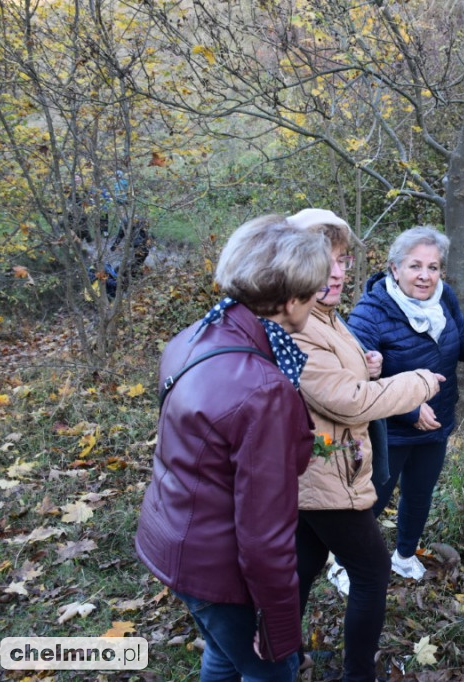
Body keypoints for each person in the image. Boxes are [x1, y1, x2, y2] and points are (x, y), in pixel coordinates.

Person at [135, 214, 330, 682]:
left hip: (172, 540)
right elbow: (265, 533)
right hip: (218, 571)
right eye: (315, 292)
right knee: (270, 671)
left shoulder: (196, 335)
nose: (320, 298)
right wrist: (279, 624)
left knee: (224, 654)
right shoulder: (264, 390)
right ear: (291, 301)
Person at [288, 209, 444, 682]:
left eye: (342, 260)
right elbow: (349, 402)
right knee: (372, 572)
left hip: (323, 467)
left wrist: (366, 365)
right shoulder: (298, 325)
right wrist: (417, 383)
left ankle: (280, 654)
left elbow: (332, 380)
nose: (337, 273)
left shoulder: (323, 315)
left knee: (304, 562)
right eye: (325, 262)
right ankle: (356, 675)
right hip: (325, 473)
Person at [347, 226, 464, 581]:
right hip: (387, 431)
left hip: (436, 423)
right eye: (415, 266)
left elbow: (463, 340)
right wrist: (410, 410)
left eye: (433, 267)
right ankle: (346, 564)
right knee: (372, 501)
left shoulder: (444, 298)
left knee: (419, 496)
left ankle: (403, 556)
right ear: (394, 268)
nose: (425, 276)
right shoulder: (370, 313)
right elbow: (356, 379)